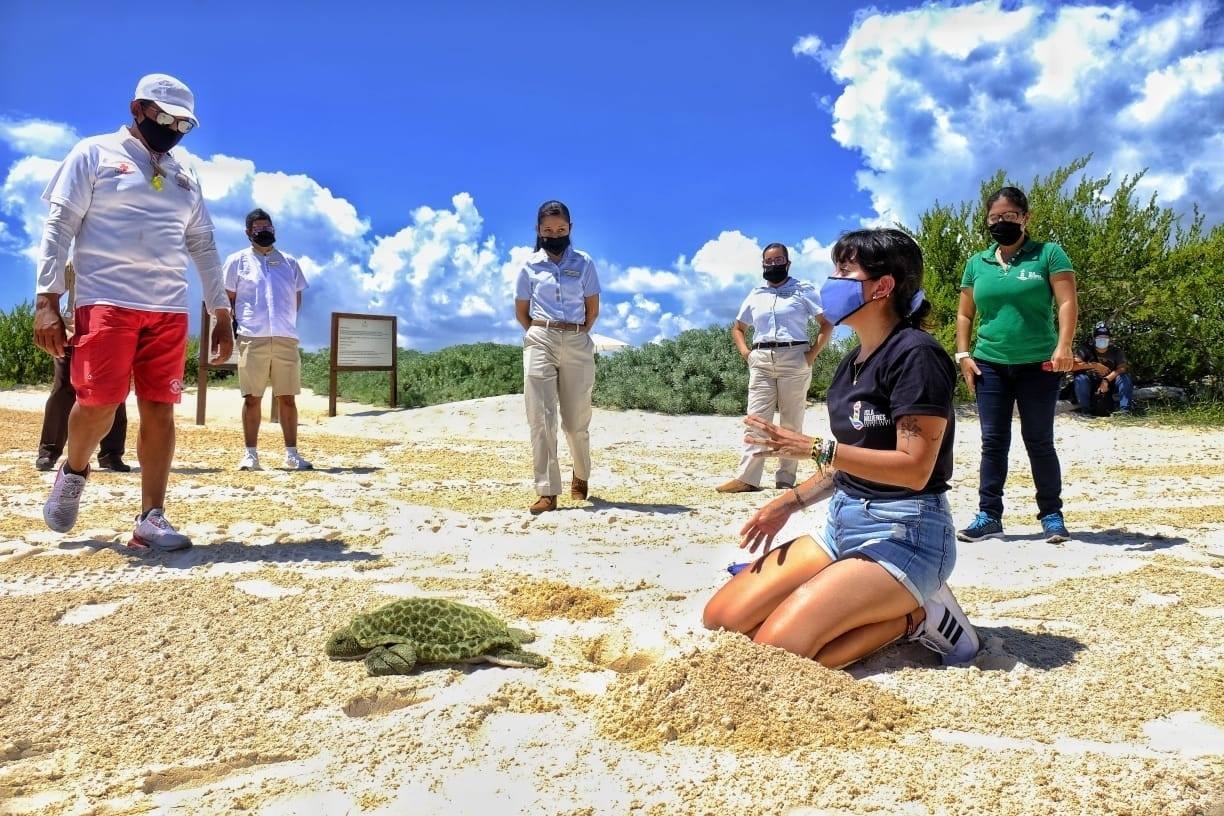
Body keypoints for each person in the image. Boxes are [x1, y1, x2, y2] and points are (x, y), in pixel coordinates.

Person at [703, 228, 979, 669]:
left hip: (904, 534)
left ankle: (915, 615)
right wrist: (789, 502)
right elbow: (848, 464)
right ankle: (841, 597)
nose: (833, 280)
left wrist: (814, 447)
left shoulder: (917, 356)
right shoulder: (852, 363)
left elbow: (914, 469)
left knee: (778, 652)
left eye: (845, 270)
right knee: (721, 619)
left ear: (883, 286)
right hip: (842, 525)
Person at [32, 72, 233, 552]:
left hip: (166, 309)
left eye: (184, 124)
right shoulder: (94, 153)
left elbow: (201, 243)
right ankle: (75, 470)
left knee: (160, 409)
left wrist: (220, 309)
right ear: (137, 109)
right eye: (165, 118)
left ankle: (151, 516)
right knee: (99, 402)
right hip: (106, 301)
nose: (174, 129)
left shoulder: (186, 175)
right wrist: (47, 300)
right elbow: (60, 224)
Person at [954, 186, 1077, 545]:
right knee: (993, 442)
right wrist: (963, 355)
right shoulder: (977, 263)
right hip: (989, 364)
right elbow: (965, 313)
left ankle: (1051, 514)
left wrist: (1064, 345)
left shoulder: (1048, 254)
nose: (1002, 223)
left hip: (1039, 364)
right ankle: (989, 515)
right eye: (995, 218)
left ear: (1025, 217)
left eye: (1009, 216)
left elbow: (1067, 303)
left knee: (1039, 440)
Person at [717, 243, 833, 493]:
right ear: (762, 265)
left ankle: (785, 479)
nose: (772, 265)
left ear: (788, 263)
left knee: (791, 420)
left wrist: (811, 355)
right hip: (760, 358)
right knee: (756, 419)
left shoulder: (804, 291)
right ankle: (747, 478)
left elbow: (826, 324)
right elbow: (738, 328)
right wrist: (746, 354)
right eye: (768, 262)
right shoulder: (756, 293)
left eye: (778, 260)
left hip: (795, 356)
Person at [514, 200, 600, 515]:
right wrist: (543, 331)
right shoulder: (529, 266)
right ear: (539, 230)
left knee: (577, 421)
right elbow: (522, 311)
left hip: (577, 338)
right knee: (541, 417)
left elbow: (593, 308)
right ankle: (547, 490)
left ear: (570, 229)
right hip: (540, 337)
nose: (555, 234)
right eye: (548, 230)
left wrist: (576, 332)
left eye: (561, 229)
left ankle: (581, 473)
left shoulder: (585, 263)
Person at [224, 208, 312, 471]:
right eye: (259, 228)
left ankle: (292, 454)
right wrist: (239, 326)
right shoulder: (236, 261)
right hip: (253, 337)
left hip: (285, 337)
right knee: (252, 397)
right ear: (248, 232)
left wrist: (286, 323)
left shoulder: (290, 262)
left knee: (288, 397)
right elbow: (227, 298)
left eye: (268, 228)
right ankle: (251, 455)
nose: (265, 232)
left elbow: (296, 297)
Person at [36, 263, 130, 473]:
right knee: (62, 389)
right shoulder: (70, 262)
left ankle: (111, 455)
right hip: (71, 330)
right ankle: (48, 452)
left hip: (109, 331)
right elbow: (53, 292)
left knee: (114, 392)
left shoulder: (118, 259)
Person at [1073, 322, 1133, 416]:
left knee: (1125, 378)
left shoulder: (1116, 351)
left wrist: (1106, 380)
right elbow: (1073, 366)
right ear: (1094, 339)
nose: (1102, 340)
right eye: (1099, 337)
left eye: (1105, 337)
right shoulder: (1085, 349)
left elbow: (1122, 368)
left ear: (1109, 339)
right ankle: (1086, 411)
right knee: (1080, 379)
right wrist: (1094, 365)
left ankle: (1125, 412)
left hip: (1110, 382)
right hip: (1090, 382)